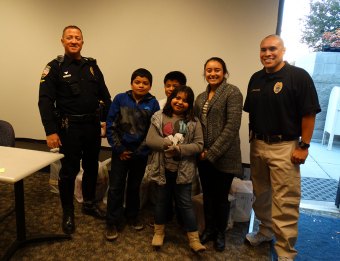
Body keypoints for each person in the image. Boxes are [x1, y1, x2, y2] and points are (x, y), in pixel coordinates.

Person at [243, 35, 321, 261]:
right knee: (262, 195)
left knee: (285, 201)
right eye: (263, 49)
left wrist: (303, 146)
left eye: (272, 49)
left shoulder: (298, 77)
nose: (267, 53)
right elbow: (254, 113)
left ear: (283, 50)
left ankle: (286, 252)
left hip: (285, 147)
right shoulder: (256, 79)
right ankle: (265, 232)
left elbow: (309, 114)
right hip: (258, 145)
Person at [38, 25, 112, 235]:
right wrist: (50, 131)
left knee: (90, 167)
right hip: (68, 128)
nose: (73, 41)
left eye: (77, 38)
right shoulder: (54, 68)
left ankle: (88, 203)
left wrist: (106, 120)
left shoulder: (92, 67)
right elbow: (45, 101)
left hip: (91, 127)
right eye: (69, 37)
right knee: (69, 171)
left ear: (82, 41)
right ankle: (68, 212)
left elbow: (105, 97)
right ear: (62, 41)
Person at [146, 86, 206, 252]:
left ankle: (194, 239)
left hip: (183, 172)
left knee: (185, 204)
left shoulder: (193, 122)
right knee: (161, 202)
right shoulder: (159, 116)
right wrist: (166, 143)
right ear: (170, 98)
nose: (180, 102)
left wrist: (180, 149)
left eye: (185, 100)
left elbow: (199, 145)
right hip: (162, 170)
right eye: (177, 98)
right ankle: (159, 233)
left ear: (190, 104)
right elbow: (150, 140)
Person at [194, 57, 243, 252]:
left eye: (217, 70)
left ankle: (220, 233)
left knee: (221, 198)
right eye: (209, 70)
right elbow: (196, 125)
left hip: (225, 156)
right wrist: (199, 151)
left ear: (224, 72)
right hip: (203, 156)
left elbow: (232, 127)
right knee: (208, 196)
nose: (212, 73)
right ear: (204, 73)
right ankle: (209, 229)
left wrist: (211, 153)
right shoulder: (199, 97)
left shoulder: (233, 92)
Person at [105, 68, 160, 241]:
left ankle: (132, 216)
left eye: (145, 83)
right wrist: (119, 149)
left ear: (150, 85)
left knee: (135, 187)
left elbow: (153, 130)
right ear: (131, 83)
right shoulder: (120, 98)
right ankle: (112, 221)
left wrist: (140, 151)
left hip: (140, 154)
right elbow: (111, 124)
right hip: (120, 152)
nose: (141, 85)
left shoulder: (153, 104)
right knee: (115, 187)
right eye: (137, 82)